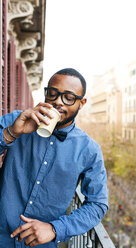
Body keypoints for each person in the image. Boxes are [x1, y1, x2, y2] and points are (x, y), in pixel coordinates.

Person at [0, 68, 108, 248]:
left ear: (82, 103)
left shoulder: (89, 150)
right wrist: (11, 133)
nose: (58, 101)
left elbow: (97, 204)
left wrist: (55, 229)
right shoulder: (16, 120)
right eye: (52, 93)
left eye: (69, 97)